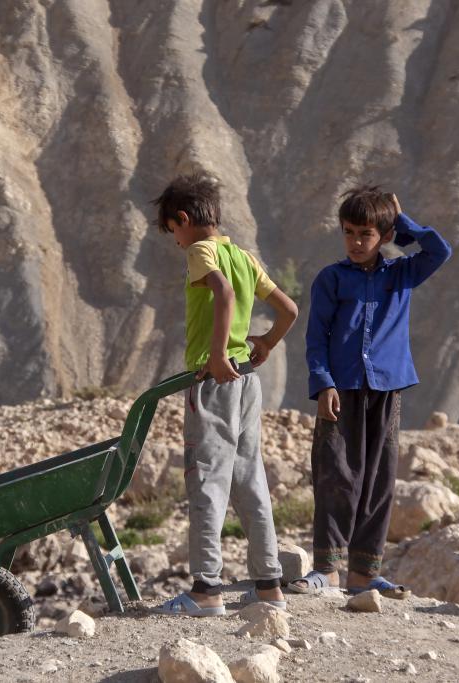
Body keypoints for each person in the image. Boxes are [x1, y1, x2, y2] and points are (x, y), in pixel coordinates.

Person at [290, 186, 451, 598]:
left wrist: (405, 223)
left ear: (384, 234)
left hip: (387, 387)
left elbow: (440, 251)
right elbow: (316, 338)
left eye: (366, 233)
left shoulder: (402, 273)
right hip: (340, 390)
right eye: (349, 232)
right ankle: (326, 569)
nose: (357, 242)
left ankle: (364, 574)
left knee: (379, 480)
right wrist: (323, 382)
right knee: (336, 475)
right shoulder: (332, 278)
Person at [149, 172, 298, 616]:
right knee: (250, 477)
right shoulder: (243, 255)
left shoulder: (201, 251)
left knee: (206, 479)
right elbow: (289, 309)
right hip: (247, 380)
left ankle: (206, 590)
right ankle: (269, 584)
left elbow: (223, 292)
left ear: (182, 220)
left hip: (213, 381)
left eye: (172, 231)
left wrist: (215, 354)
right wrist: (267, 342)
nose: (176, 242)